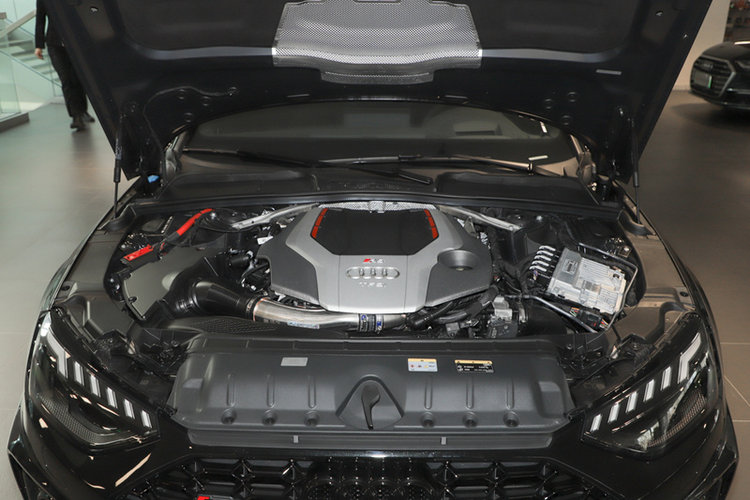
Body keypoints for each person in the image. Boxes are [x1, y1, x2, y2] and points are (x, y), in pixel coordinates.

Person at [34, 0, 95, 131]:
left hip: (76, 43)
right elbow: (40, 19)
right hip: (55, 45)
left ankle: (83, 111)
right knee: (66, 79)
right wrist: (39, 45)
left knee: (77, 78)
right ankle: (76, 116)